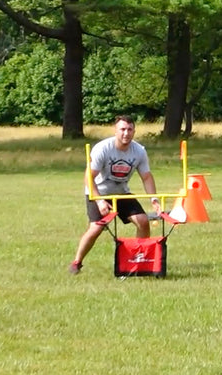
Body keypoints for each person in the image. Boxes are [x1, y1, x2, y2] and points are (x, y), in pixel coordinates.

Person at [69, 115, 161, 275]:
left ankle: (138, 260)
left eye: (130, 129)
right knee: (96, 228)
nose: (126, 133)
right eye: (122, 129)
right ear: (115, 130)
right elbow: (88, 177)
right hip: (97, 192)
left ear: (134, 131)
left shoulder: (139, 151)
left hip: (121, 193)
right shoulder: (103, 148)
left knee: (143, 221)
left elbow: (146, 176)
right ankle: (77, 262)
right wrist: (99, 202)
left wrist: (154, 199)